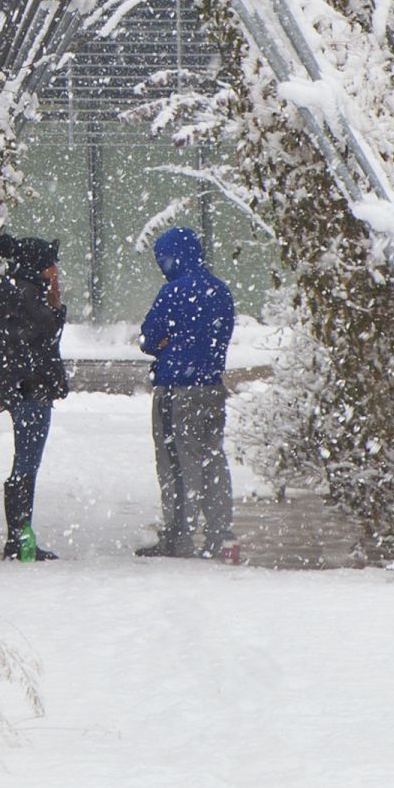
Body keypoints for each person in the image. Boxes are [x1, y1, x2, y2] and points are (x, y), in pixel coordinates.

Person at [136, 224, 237, 561]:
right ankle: (219, 533)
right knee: (212, 458)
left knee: (176, 464)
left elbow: (150, 338)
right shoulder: (220, 291)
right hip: (212, 388)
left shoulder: (173, 293)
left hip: (176, 390)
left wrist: (165, 343)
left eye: (162, 258)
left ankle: (179, 536)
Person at [0, 232, 68, 562]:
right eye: (51, 264)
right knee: (26, 465)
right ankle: (19, 538)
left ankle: (20, 535)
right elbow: (45, 338)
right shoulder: (28, 296)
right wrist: (56, 306)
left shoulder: (9, 292)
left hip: (21, 387)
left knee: (25, 463)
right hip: (32, 389)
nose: (56, 270)